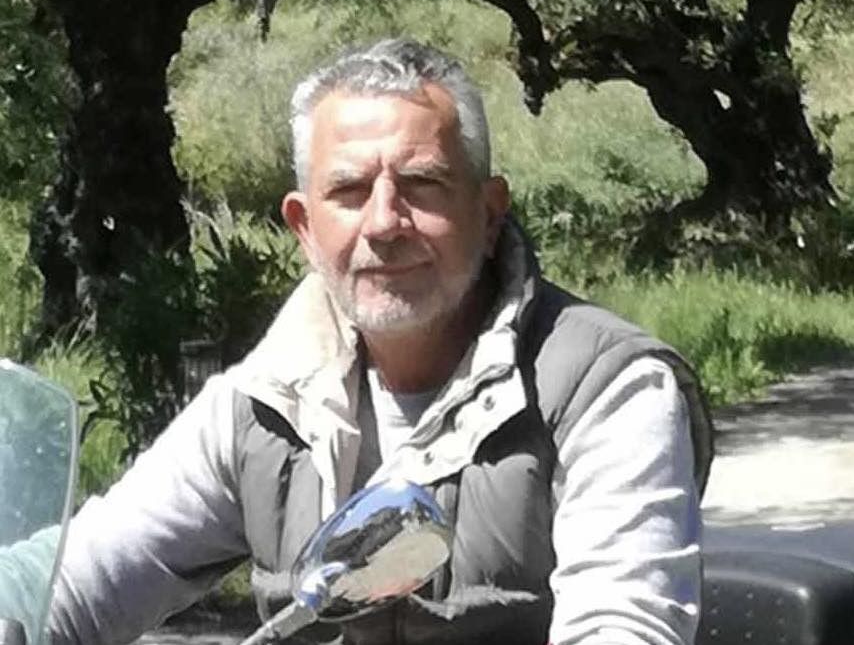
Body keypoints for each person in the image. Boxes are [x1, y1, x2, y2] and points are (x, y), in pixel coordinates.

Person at [47, 38, 713, 645]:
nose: (384, 222)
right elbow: (78, 579)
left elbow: (624, 625)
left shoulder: (606, 387)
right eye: (348, 190)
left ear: (488, 214)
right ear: (304, 229)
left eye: (422, 185)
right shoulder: (261, 405)